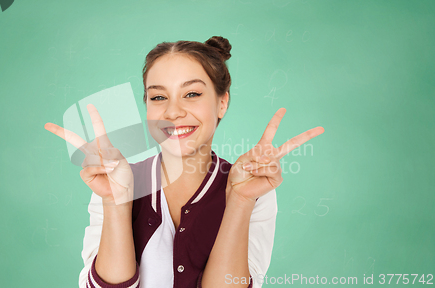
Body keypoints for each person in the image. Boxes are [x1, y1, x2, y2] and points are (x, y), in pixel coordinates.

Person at [44, 36, 324, 288]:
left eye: (191, 94)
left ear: (222, 102)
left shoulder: (254, 188)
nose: (173, 111)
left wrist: (239, 200)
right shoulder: (113, 180)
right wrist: (116, 202)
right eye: (158, 97)